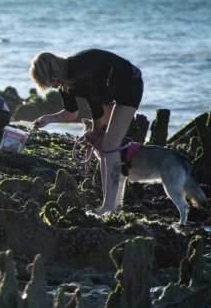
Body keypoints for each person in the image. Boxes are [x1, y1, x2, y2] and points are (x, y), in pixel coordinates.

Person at [29, 49, 144, 216]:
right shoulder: (63, 81)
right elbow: (71, 112)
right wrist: (49, 118)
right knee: (102, 145)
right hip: (108, 89)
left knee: (109, 145)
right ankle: (113, 202)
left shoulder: (79, 71)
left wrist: (94, 134)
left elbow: (96, 110)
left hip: (129, 82)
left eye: (49, 81)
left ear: (53, 71)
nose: (51, 86)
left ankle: (109, 206)